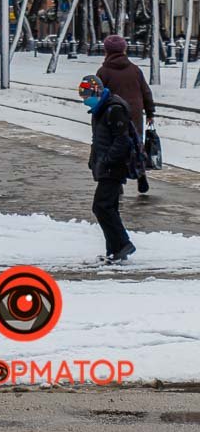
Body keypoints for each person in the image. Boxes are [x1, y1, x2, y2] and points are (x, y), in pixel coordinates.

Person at [79, 74, 139, 263]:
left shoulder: (113, 109)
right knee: (108, 207)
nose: (84, 99)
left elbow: (123, 140)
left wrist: (106, 159)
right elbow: (98, 140)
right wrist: (94, 159)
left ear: (95, 91)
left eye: (85, 95)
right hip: (106, 165)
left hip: (115, 166)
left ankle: (123, 244)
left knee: (101, 206)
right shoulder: (101, 109)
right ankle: (113, 251)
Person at [97, 35, 154, 194]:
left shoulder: (103, 72)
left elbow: (99, 96)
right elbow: (145, 92)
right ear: (124, 49)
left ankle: (117, 183)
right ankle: (141, 175)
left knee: (115, 146)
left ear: (106, 50)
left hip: (113, 116)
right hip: (134, 113)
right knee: (136, 145)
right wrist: (150, 112)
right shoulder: (135, 69)